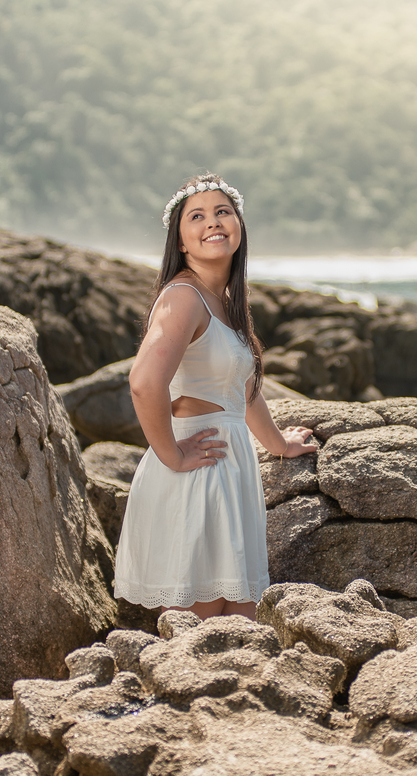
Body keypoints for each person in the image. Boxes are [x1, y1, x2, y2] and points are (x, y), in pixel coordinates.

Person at [114, 174, 317, 621]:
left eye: (223, 211)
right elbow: (144, 382)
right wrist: (171, 453)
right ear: (181, 240)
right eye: (198, 216)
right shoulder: (184, 297)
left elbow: (241, 391)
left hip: (229, 467)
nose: (213, 222)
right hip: (196, 470)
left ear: (239, 226)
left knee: (238, 620)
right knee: (198, 625)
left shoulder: (224, 300)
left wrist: (279, 444)